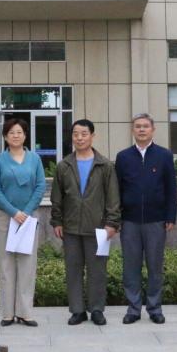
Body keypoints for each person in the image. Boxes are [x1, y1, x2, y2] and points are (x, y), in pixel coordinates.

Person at [50, 118, 121, 326]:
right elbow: (57, 197)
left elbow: (113, 198)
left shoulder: (105, 165)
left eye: (83, 134)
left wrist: (112, 223)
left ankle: (97, 309)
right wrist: (57, 221)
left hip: (98, 228)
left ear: (92, 136)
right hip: (71, 227)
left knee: (97, 271)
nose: (79, 138)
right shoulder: (64, 166)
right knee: (73, 270)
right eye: (75, 134)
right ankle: (77, 310)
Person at [115, 113, 177, 325]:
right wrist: (116, 218)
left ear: (153, 129)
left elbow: (171, 188)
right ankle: (133, 309)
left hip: (156, 220)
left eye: (145, 126)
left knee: (155, 267)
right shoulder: (123, 157)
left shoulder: (164, 155)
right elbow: (117, 189)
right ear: (132, 130)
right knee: (130, 267)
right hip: (129, 221)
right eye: (137, 126)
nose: (141, 129)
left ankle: (154, 308)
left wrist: (170, 216)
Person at [0, 117, 47, 327]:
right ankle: (7, 313)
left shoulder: (34, 159)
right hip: (6, 218)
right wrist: (14, 212)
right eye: (11, 132)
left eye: (19, 132)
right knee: (5, 265)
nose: (15, 136)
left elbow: (40, 186)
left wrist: (27, 212)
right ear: (5, 136)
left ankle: (25, 313)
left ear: (25, 135)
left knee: (27, 265)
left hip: (29, 219)